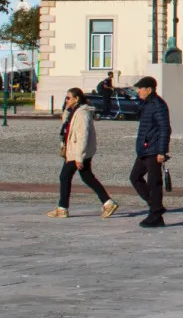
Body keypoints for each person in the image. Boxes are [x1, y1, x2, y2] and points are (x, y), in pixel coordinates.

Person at [50, 88, 118, 219]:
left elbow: (83, 136)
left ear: (76, 99)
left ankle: (62, 208)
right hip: (74, 151)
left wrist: (79, 157)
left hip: (78, 152)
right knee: (87, 177)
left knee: (65, 176)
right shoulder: (73, 111)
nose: (66, 100)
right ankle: (108, 202)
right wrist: (66, 110)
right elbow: (65, 127)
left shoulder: (82, 114)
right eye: (66, 98)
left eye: (68, 98)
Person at [129, 76, 171, 228]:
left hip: (153, 149)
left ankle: (156, 214)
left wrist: (162, 151)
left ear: (149, 89)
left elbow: (165, 128)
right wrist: (137, 100)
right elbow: (136, 112)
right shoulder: (147, 104)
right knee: (135, 177)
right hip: (145, 149)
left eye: (141, 88)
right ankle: (155, 207)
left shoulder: (157, 105)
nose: (138, 91)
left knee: (154, 183)